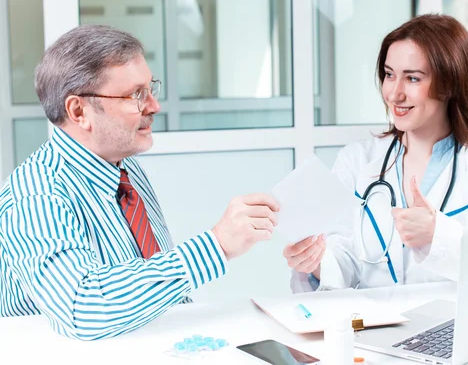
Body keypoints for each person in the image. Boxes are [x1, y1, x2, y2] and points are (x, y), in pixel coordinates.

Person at [0, 25, 279, 339]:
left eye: (150, 89)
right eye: (135, 95)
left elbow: (153, 284)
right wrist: (216, 245)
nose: (154, 106)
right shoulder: (37, 195)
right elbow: (82, 309)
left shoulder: (125, 168)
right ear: (79, 111)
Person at [284, 14, 468, 292]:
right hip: (371, 330)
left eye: (412, 78)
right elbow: (344, 256)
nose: (394, 94)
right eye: (389, 75)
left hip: (451, 330)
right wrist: (316, 262)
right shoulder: (357, 161)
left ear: (449, 84)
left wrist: (439, 236)